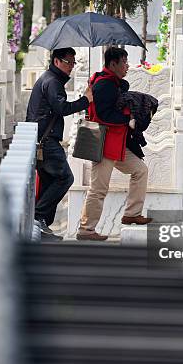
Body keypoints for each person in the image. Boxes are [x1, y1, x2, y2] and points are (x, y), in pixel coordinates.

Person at [77, 47, 153, 241]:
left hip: (117, 143)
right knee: (99, 188)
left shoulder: (111, 83)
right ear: (113, 64)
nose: (127, 66)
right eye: (124, 62)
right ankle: (86, 230)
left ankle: (132, 214)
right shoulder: (104, 85)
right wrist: (127, 117)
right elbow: (103, 115)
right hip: (104, 143)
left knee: (140, 170)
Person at [26, 47, 93, 240]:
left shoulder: (50, 80)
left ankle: (42, 226)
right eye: (68, 62)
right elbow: (62, 108)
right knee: (65, 178)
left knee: (49, 183)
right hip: (47, 141)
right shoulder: (52, 81)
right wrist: (85, 101)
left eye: (73, 63)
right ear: (57, 61)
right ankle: (38, 217)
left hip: (43, 139)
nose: (71, 67)